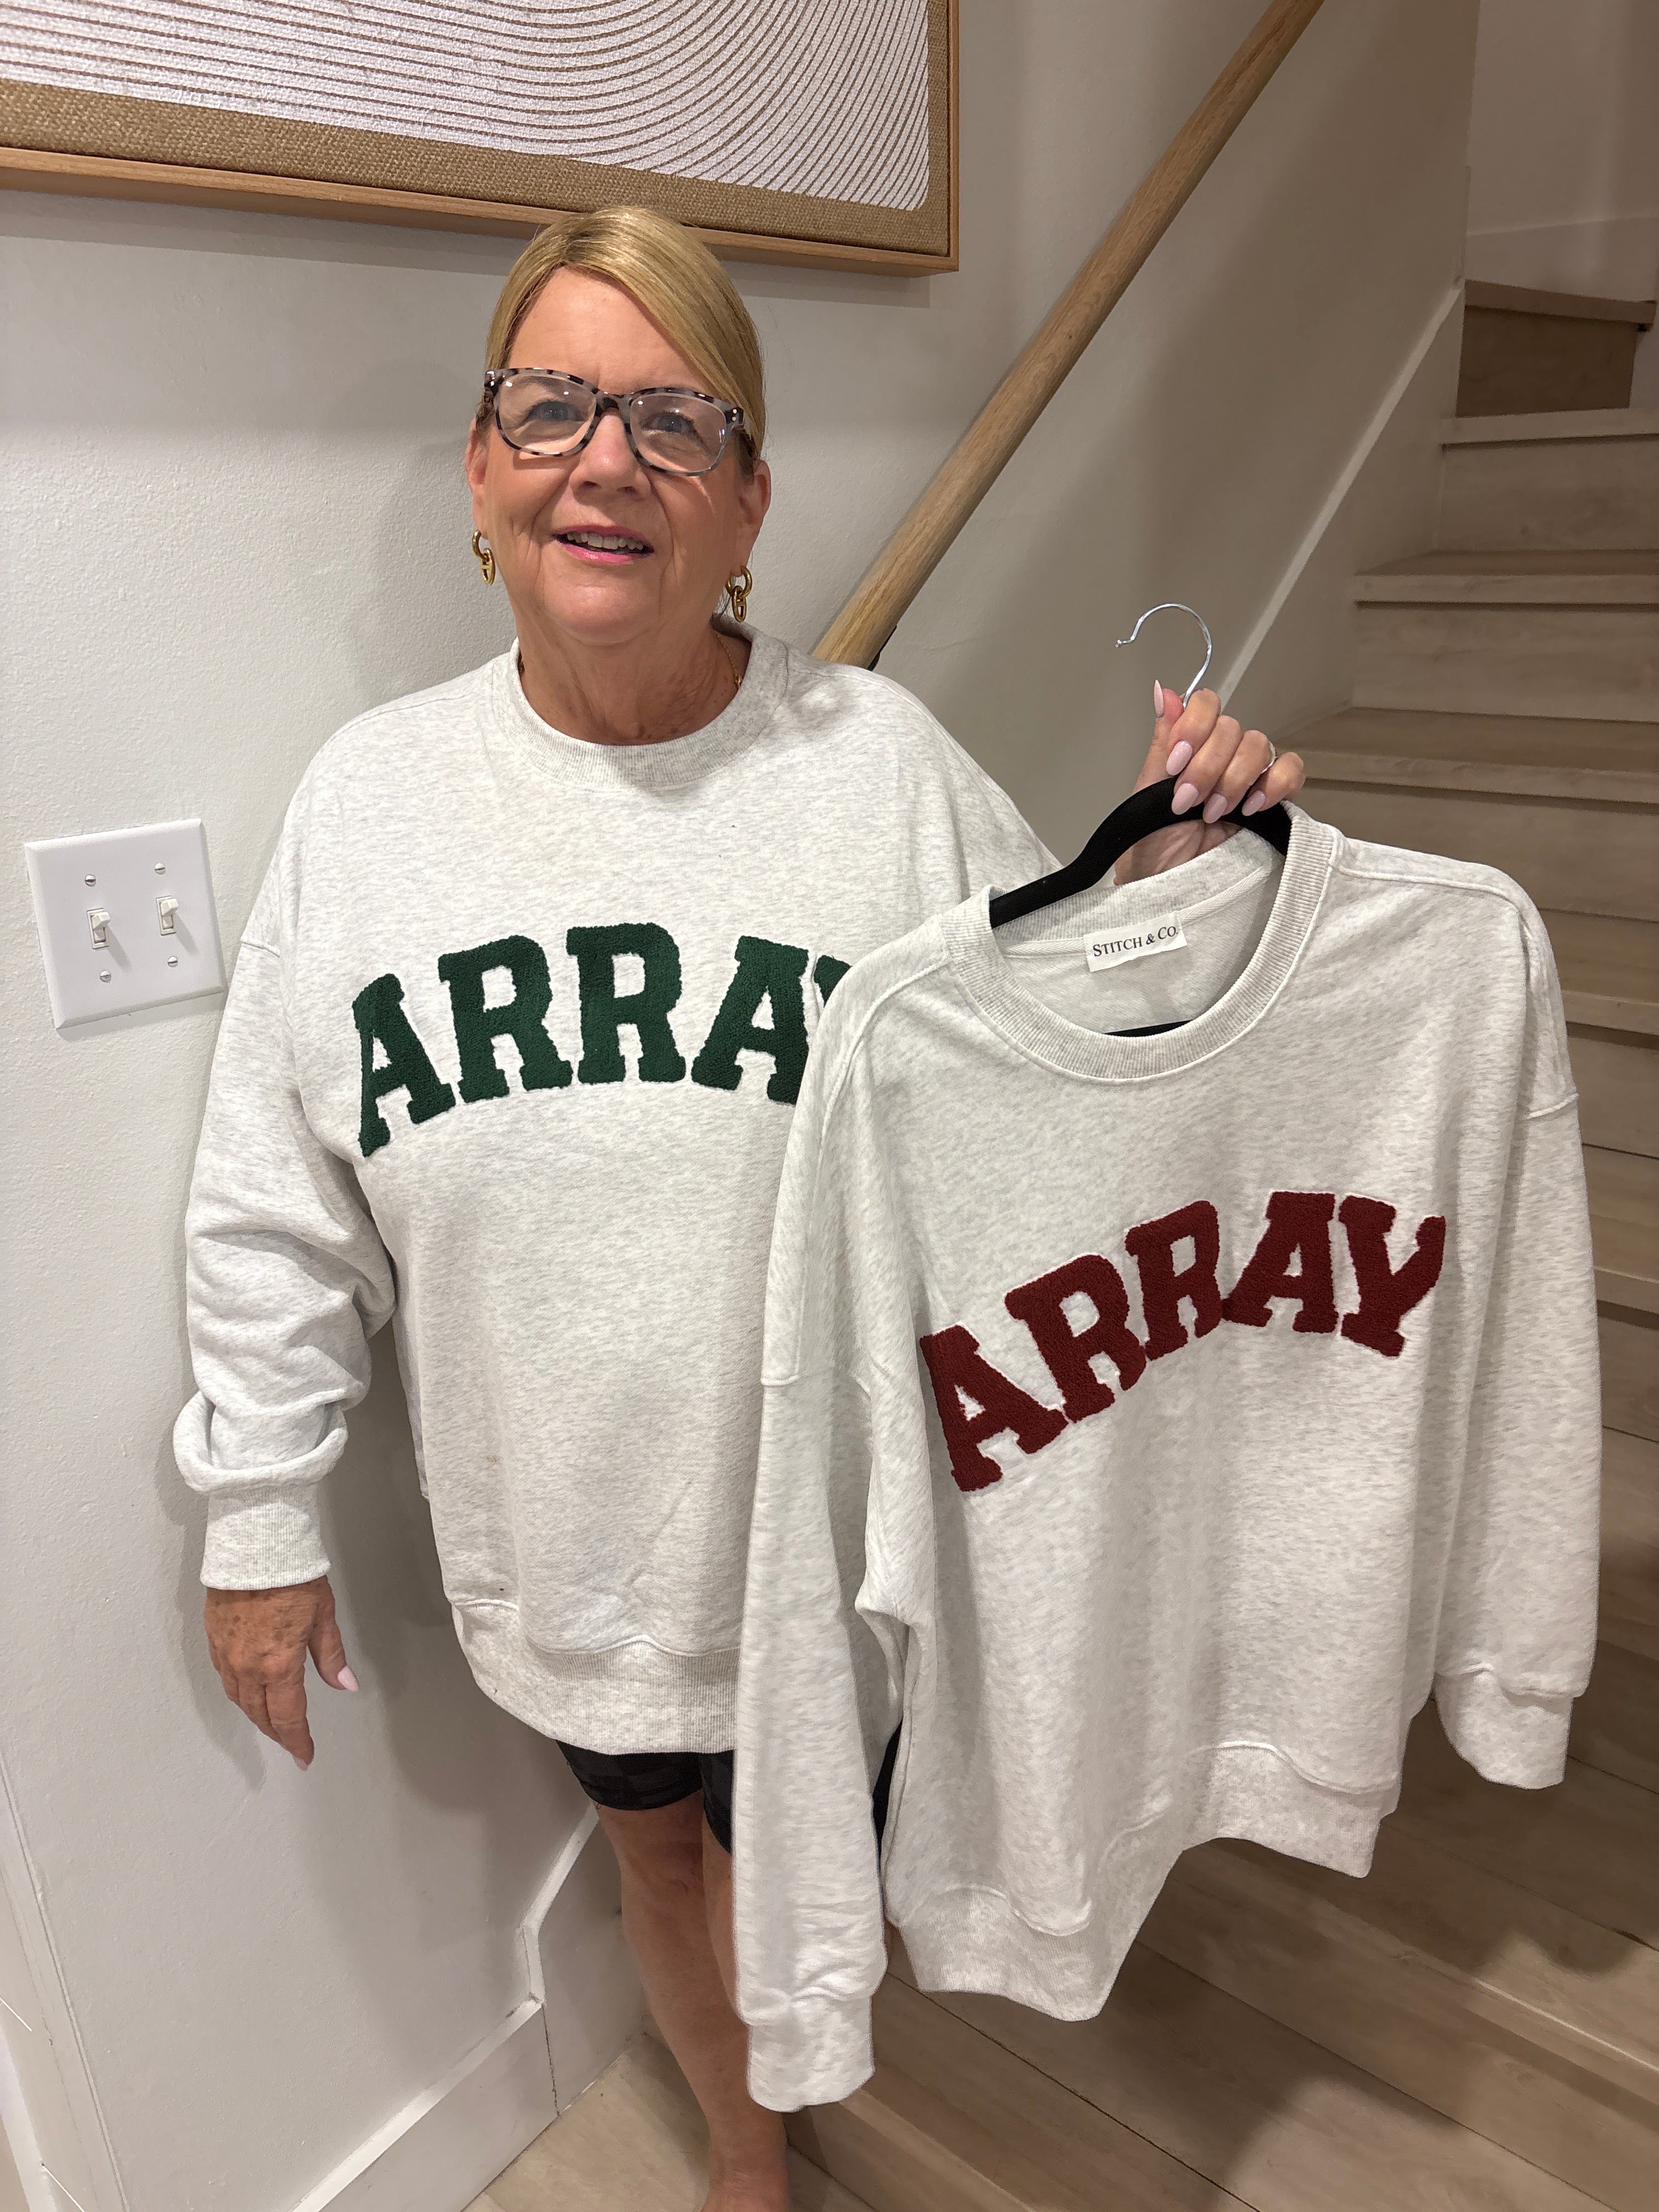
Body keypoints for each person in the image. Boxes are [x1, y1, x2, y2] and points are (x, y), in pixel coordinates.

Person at [178, 205, 1305, 2212]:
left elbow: (1058, 1075)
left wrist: (1181, 890)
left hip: (864, 1549)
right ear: (484, 471)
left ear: (749, 499)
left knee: (850, 1845)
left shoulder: (879, 772)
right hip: (580, 1553)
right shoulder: (368, 808)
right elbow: (280, 1202)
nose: (606, 461)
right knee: (662, 1854)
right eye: (552, 407)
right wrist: (260, 1514)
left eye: (675, 420)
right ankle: (743, 2142)